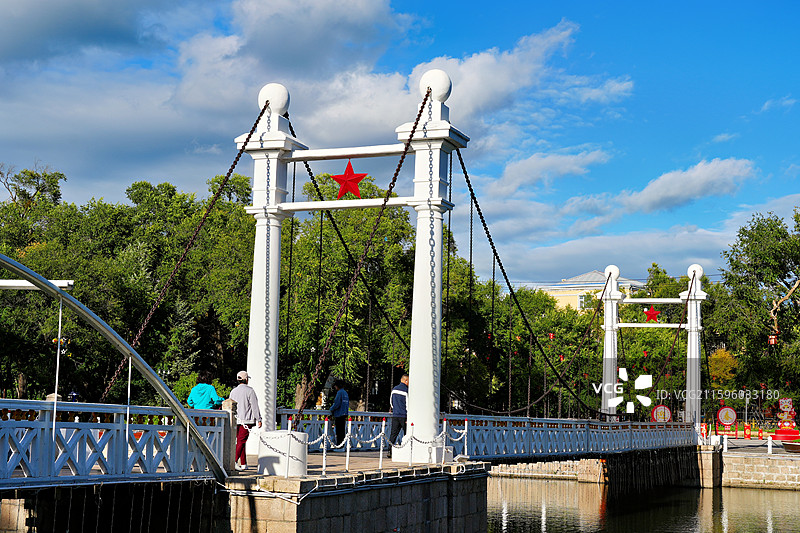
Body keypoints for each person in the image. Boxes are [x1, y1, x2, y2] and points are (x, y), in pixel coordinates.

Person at [229, 370, 262, 471]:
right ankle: (233, 462)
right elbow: (254, 406)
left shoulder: (233, 391)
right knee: (241, 441)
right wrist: (259, 418)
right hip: (246, 420)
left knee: (240, 441)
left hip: (235, 419)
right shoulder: (250, 391)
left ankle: (243, 463)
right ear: (246, 379)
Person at [389, 374, 409, 444]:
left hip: (395, 415)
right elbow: (408, 404)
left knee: (393, 434)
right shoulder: (406, 391)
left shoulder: (394, 389)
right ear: (406, 380)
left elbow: (391, 403)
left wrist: (395, 410)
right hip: (404, 416)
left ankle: (390, 450)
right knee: (407, 434)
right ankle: (407, 449)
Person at [330, 379, 349, 447]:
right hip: (344, 414)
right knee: (342, 431)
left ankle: (339, 445)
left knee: (339, 431)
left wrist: (331, 409)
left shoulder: (339, 393)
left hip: (339, 414)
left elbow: (337, 403)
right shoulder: (345, 393)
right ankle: (342, 445)